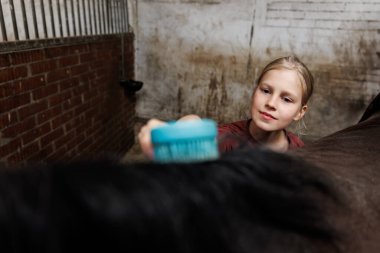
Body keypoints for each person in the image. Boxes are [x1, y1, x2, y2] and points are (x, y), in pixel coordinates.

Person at [138, 55, 314, 158]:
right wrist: (181, 129)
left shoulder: (299, 149)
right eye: (266, 91)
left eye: (286, 99)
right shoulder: (226, 139)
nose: (271, 103)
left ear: (300, 112)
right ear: (254, 91)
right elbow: (198, 133)